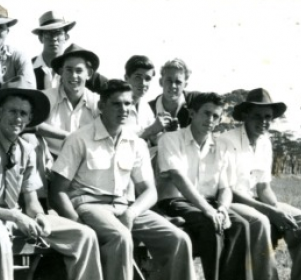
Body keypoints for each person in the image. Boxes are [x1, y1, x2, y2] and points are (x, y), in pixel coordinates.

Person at [0, 82, 102, 280]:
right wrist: (15, 217)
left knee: (84, 235)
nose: (18, 118)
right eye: (12, 111)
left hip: (16, 216)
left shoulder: (26, 150)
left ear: (30, 118)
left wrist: (39, 216)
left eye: (24, 114)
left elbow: (31, 200)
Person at [49, 79, 195, 280]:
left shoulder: (135, 142)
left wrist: (131, 213)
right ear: (101, 106)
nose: (124, 109)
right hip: (90, 207)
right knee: (121, 237)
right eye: (117, 104)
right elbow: (58, 190)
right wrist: (78, 224)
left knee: (178, 239)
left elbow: (149, 190)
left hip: (125, 207)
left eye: (128, 104)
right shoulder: (79, 138)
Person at [218, 88, 301, 280]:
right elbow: (229, 190)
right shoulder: (226, 140)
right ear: (245, 115)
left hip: (255, 199)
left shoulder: (265, 143)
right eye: (257, 116)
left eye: (268, 117)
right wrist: (270, 212)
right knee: (262, 222)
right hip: (232, 201)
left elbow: (263, 188)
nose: (263, 122)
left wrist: (278, 210)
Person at [156, 92, 252, 280]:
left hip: (210, 204)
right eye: (206, 113)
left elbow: (225, 187)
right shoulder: (171, 139)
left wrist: (223, 209)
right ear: (192, 113)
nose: (211, 120)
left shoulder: (222, 146)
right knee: (212, 224)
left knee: (241, 225)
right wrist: (208, 210)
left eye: (216, 116)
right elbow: (178, 178)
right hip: (177, 202)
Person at [35, 44, 100, 158]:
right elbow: (32, 124)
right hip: (51, 159)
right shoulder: (46, 97)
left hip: (84, 163)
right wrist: (68, 136)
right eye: (69, 70)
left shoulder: (96, 101)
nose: (74, 76)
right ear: (61, 72)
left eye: (79, 70)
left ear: (89, 74)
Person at [123, 55, 169, 139]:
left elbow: (153, 139)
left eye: (147, 78)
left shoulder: (145, 107)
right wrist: (152, 129)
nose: (143, 83)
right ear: (126, 78)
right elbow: (120, 142)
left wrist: (170, 132)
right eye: (138, 77)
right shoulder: (116, 105)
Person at [148, 58, 199, 132]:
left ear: (185, 85)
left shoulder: (195, 101)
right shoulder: (148, 108)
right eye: (169, 81)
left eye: (178, 82)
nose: (173, 86)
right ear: (161, 82)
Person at [31, 11, 75, 90]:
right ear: (40, 38)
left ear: (66, 37)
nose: (54, 38)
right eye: (48, 33)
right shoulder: (29, 67)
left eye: (58, 33)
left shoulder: (74, 67)